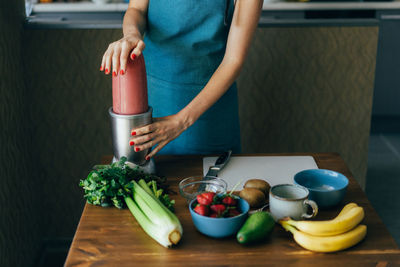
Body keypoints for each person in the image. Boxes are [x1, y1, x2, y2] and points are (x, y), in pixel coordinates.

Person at [100, 0, 262, 160]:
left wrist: (181, 121)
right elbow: (137, 9)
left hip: (210, 112)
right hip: (154, 100)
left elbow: (233, 60)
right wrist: (131, 34)